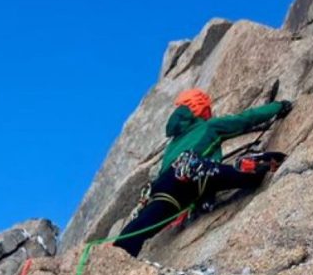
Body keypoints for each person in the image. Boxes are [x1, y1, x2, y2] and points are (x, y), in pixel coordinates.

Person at [114, 88, 292, 257]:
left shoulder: (172, 145)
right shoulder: (209, 126)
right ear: (199, 107)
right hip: (195, 171)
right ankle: (251, 165)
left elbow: (167, 175)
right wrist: (278, 106)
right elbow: (245, 119)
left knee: (142, 225)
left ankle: (118, 253)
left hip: (166, 188)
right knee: (246, 178)